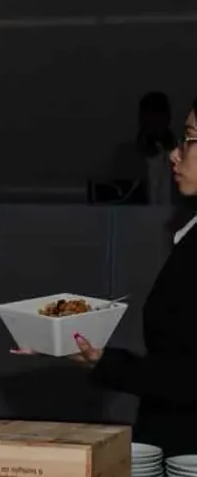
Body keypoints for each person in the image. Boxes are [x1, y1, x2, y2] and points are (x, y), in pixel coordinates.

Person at [61, 101, 197, 454]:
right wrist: (100, 358)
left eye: (189, 139)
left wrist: (109, 363)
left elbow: (187, 378)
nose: (174, 154)